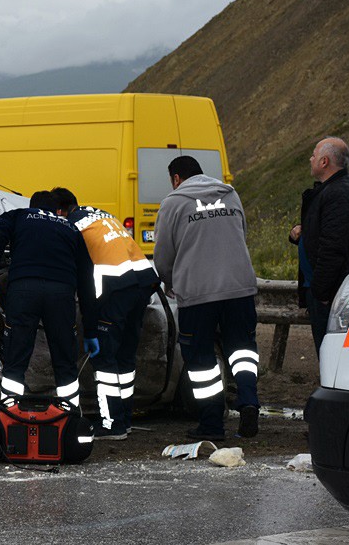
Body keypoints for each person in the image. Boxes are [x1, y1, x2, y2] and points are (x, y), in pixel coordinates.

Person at [154, 156, 259, 441]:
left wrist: (170, 282)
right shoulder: (230, 194)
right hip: (240, 288)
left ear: (176, 179)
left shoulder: (173, 203)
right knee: (242, 350)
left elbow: (163, 255)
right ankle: (248, 401)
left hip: (198, 293)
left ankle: (212, 424)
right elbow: (242, 233)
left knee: (201, 359)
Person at [52, 187, 158, 439]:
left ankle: (112, 424)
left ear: (59, 211)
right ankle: (125, 418)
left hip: (117, 287)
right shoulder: (101, 215)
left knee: (105, 357)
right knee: (125, 356)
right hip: (143, 282)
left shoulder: (71, 225)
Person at [0, 190, 100, 407]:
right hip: (61, 294)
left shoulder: (18, 216)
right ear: (56, 210)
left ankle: (10, 413)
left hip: (23, 289)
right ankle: (68, 415)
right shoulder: (71, 228)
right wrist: (91, 330)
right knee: (65, 361)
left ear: (31, 206)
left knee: (16, 358)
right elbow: (86, 281)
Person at [289, 137, 349, 354]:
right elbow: (328, 233)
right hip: (332, 290)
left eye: (314, 154)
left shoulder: (338, 194)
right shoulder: (332, 190)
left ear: (324, 162)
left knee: (333, 354)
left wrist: (321, 293)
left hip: (334, 293)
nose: (310, 159)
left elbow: (333, 248)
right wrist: (300, 233)